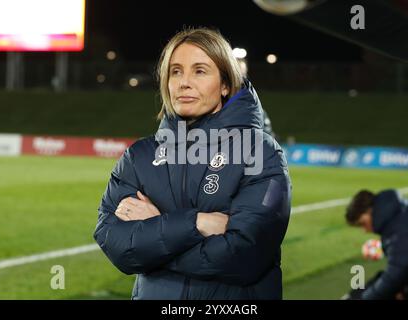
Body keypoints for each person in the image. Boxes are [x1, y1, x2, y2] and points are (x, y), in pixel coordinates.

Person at [94, 27, 292, 300]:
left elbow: (245, 257)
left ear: (225, 84)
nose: (184, 82)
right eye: (176, 71)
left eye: (199, 71)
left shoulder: (260, 152)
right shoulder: (139, 156)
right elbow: (117, 245)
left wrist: (157, 229)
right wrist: (197, 223)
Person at [345, 189, 408, 299]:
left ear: (369, 211)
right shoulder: (400, 210)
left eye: (362, 223)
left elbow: (396, 274)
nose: (365, 230)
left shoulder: (399, 228)